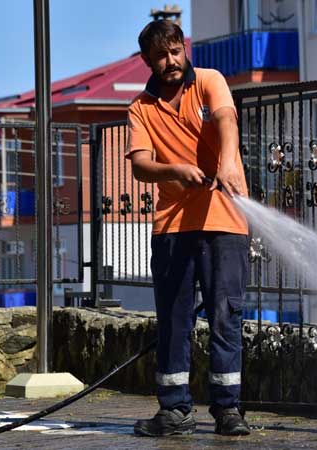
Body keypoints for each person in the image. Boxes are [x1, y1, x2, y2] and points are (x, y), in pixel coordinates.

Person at [126, 19, 250, 437]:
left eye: (175, 50)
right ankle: (175, 412)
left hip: (224, 220)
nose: (171, 60)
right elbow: (142, 165)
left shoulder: (211, 81)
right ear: (148, 61)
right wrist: (174, 170)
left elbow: (227, 122)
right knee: (174, 321)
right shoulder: (140, 108)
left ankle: (228, 411)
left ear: (184, 48)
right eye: (161, 55)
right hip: (172, 228)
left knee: (225, 317)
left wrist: (228, 162)